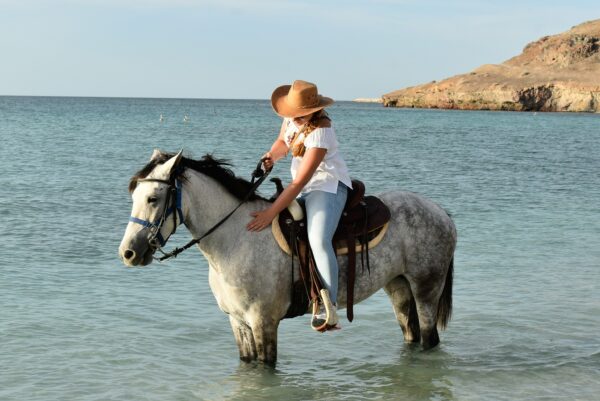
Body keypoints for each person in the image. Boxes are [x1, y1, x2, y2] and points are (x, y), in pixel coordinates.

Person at [246, 80, 353, 331]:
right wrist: (270, 156)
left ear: (309, 110)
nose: (291, 117)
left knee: (318, 239)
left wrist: (269, 213)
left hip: (326, 187)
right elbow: (283, 142)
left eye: (296, 113)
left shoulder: (321, 130)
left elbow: (298, 182)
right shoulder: (292, 119)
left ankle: (330, 307)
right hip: (304, 188)